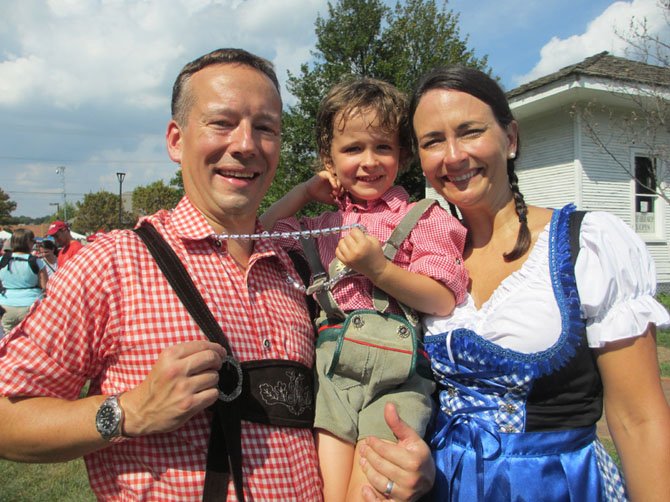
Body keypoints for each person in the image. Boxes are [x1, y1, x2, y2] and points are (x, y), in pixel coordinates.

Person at [0, 48, 434, 501]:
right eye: (222, 123)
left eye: (264, 127)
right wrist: (127, 412)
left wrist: (401, 470)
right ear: (175, 140)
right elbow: (7, 417)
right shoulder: (113, 264)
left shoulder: (299, 268)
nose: (246, 144)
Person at [408, 65, 670, 501]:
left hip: (557, 487)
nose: (452, 156)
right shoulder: (421, 263)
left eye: (470, 131)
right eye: (432, 141)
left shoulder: (586, 244)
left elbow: (639, 419)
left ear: (509, 139)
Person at [261, 77, 467, 501]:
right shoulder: (321, 226)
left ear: (403, 154)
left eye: (383, 147)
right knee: (330, 493)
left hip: (399, 374)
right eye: (353, 149)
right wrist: (303, 194)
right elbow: (258, 235)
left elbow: (443, 297)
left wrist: (379, 269)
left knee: (371, 491)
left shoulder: (421, 217)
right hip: (333, 369)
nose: (369, 161)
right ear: (329, 159)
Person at [0, 229, 47, 336]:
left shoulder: (2, 260)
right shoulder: (36, 261)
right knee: (30, 339)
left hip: (6, 305)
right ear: (28, 242)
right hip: (30, 305)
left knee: (8, 340)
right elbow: (44, 286)